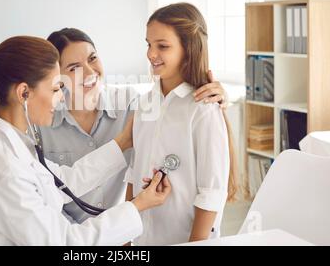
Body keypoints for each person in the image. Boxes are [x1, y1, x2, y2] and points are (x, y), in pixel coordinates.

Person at [0, 36, 171, 245]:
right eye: (56, 88)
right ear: (23, 94)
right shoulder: (3, 170)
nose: (62, 96)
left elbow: (61, 181)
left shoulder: (4, 139)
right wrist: (138, 206)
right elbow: (65, 244)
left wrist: (121, 143)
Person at [40, 28, 230, 223]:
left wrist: (217, 97)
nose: (89, 72)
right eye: (73, 68)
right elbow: (45, 200)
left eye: (92, 58)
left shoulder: (131, 104)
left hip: (123, 234)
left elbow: (173, 110)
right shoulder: (41, 123)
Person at [125, 3, 239, 246]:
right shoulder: (144, 104)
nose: (150, 54)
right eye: (149, 44)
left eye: (162, 46)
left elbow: (211, 192)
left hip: (184, 239)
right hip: (143, 239)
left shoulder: (204, 109)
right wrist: (123, 238)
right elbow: (133, 175)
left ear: (188, 49)